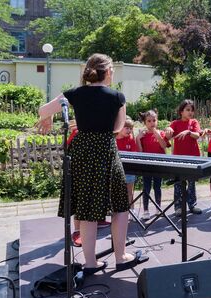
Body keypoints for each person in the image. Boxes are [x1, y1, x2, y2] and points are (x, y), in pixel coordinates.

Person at [37, 53, 147, 275]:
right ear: (106, 72)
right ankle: (121, 256)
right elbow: (117, 129)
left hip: (82, 153)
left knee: (87, 209)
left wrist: (47, 118)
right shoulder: (117, 96)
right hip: (105, 152)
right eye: (112, 71)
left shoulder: (75, 94)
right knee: (119, 206)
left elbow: (43, 110)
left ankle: (90, 263)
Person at [68, 120, 111, 248]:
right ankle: (77, 230)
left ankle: (97, 220)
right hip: (81, 170)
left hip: (96, 165)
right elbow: (70, 149)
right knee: (81, 200)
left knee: (98, 195)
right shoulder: (77, 131)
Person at [165, 100, 203, 217]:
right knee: (178, 183)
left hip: (193, 158)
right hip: (179, 158)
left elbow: (197, 135)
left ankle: (192, 205)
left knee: (191, 183)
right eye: (187, 110)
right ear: (181, 111)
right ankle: (178, 207)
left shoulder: (194, 122)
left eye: (192, 110)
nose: (190, 112)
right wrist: (168, 131)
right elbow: (168, 135)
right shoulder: (175, 123)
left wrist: (188, 131)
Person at [136, 110, 170, 219]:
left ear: (157, 121)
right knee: (146, 187)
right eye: (149, 121)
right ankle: (145, 210)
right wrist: (138, 138)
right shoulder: (143, 135)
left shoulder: (161, 133)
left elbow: (164, 146)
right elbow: (140, 152)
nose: (152, 123)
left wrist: (158, 135)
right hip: (147, 165)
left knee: (157, 186)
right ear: (145, 123)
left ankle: (158, 208)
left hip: (158, 165)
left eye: (154, 120)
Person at [116, 116, 137, 210]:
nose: (129, 130)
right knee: (116, 192)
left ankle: (132, 211)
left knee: (129, 192)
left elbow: (135, 154)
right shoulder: (114, 140)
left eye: (131, 128)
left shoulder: (131, 139)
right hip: (116, 171)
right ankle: (117, 212)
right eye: (127, 128)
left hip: (129, 170)